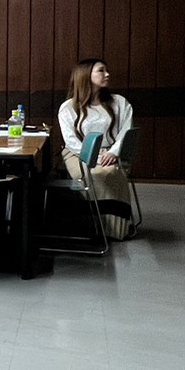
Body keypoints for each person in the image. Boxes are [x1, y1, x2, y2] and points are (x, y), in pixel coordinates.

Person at [58, 58, 136, 240]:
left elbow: (126, 131)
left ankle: (114, 228)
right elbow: (71, 141)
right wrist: (96, 157)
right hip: (79, 154)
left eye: (106, 70)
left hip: (112, 152)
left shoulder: (119, 102)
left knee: (111, 173)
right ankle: (91, 225)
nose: (107, 74)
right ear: (86, 75)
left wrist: (113, 152)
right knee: (94, 174)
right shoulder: (68, 107)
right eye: (101, 71)